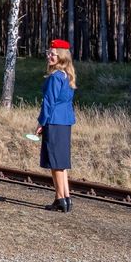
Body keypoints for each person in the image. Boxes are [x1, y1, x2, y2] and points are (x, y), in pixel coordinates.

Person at [36, 39, 77, 213]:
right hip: (65, 121)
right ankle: (65, 198)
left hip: (53, 121)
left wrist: (41, 122)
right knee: (61, 163)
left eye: (52, 54)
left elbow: (49, 102)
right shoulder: (67, 76)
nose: (49, 56)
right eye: (49, 53)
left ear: (61, 57)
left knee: (55, 162)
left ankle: (60, 199)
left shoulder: (55, 77)